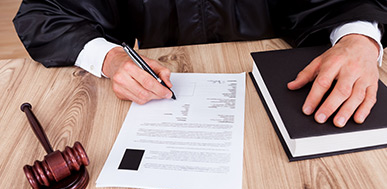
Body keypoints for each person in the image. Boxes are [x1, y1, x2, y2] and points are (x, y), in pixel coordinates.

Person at [13, 0, 387, 128]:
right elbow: (44, 13)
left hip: (277, 90)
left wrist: (359, 38)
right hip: (164, 89)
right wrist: (111, 58)